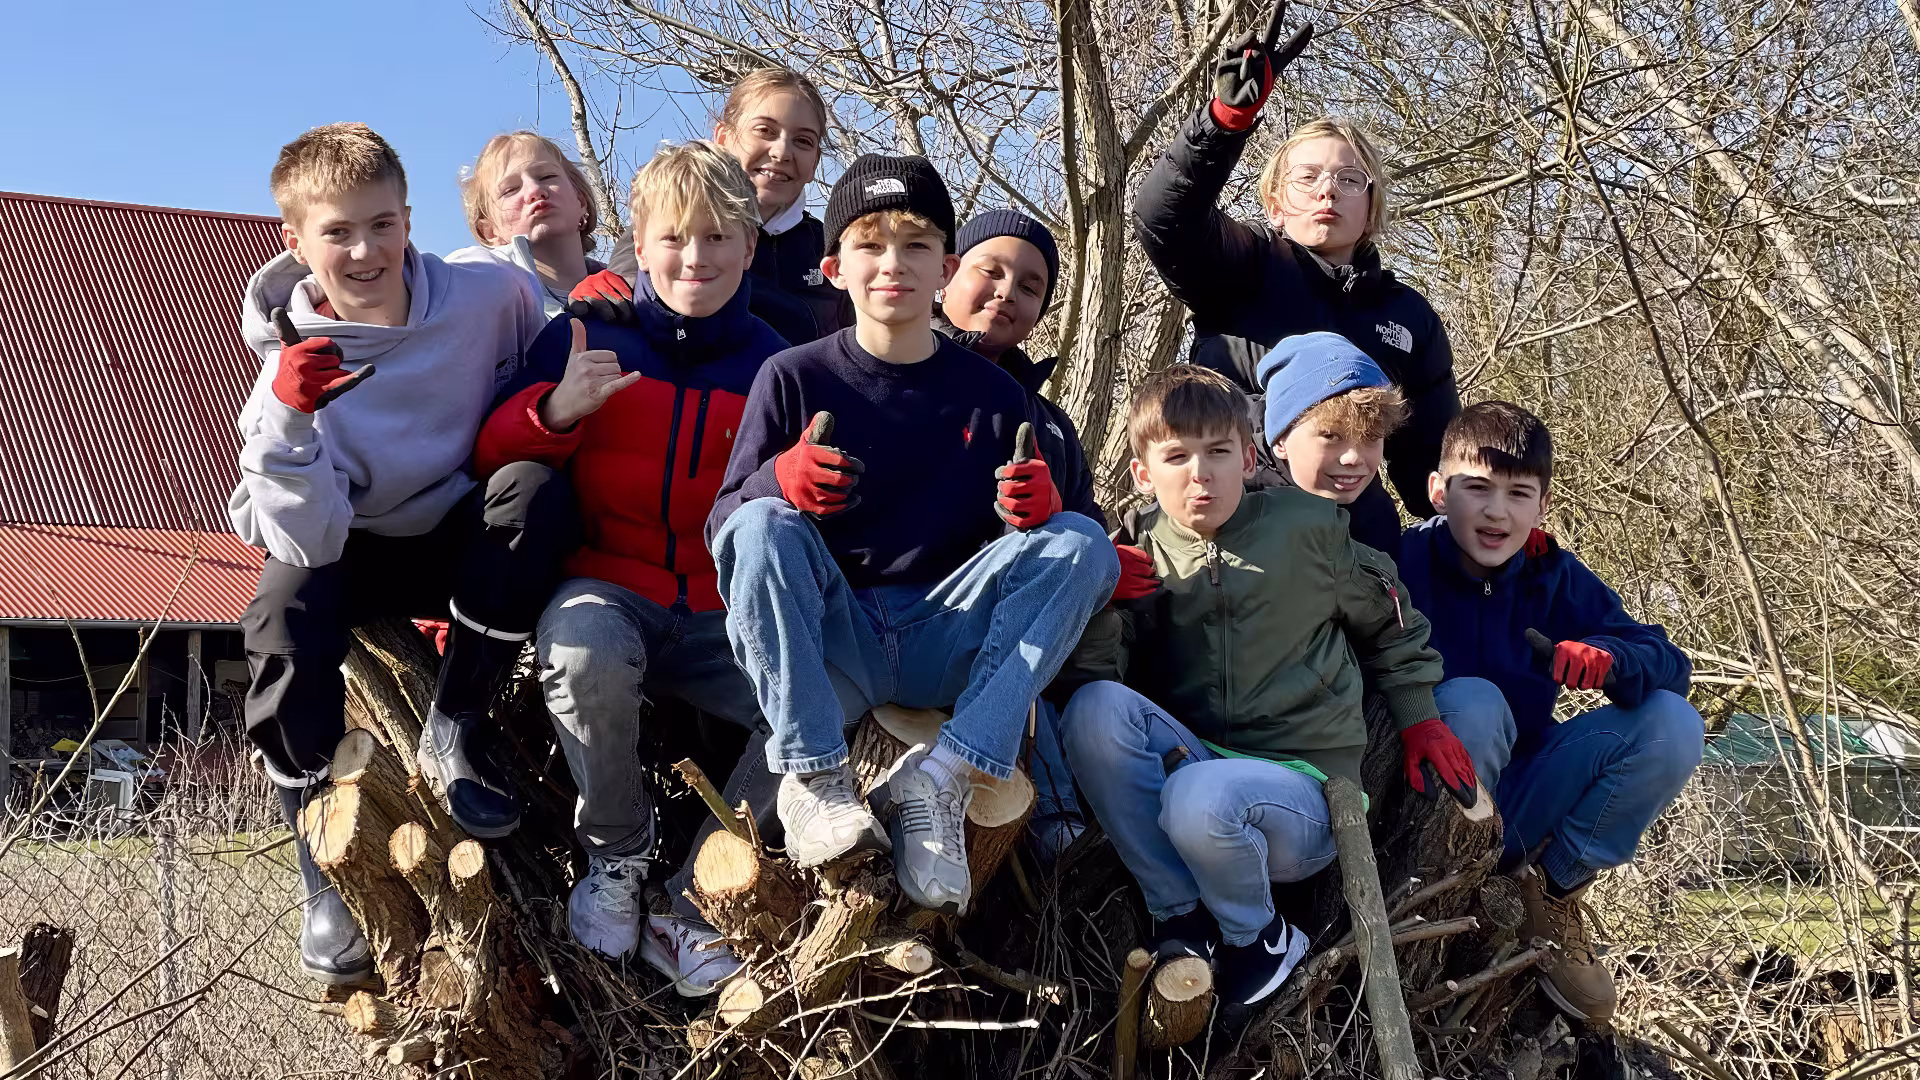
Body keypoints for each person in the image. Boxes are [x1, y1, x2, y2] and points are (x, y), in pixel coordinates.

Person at [705, 154, 1118, 916]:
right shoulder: (792, 377)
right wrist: (777, 481)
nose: (892, 262)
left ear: (945, 268)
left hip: (946, 633)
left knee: (1082, 545)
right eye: (869, 244)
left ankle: (948, 777)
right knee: (761, 524)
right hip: (838, 637)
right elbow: (725, 527)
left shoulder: (998, 397)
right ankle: (816, 779)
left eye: (916, 244)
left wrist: (1037, 515)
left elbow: (1035, 560)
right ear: (834, 268)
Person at [232, 123, 575, 984]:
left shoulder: (489, 294)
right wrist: (293, 418)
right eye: (338, 232)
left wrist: (599, 309)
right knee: (278, 614)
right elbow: (306, 538)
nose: (364, 250)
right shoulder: (283, 370)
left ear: (409, 221)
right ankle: (321, 863)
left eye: (381, 224)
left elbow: (535, 373)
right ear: (296, 241)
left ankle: (454, 730)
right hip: (345, 540)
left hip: (455, 526)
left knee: (536, 494)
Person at [1057, 364, 1489, 1008]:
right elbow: (1101, 679)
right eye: (1177, 457)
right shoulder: (1142, 547)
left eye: (1218, 453)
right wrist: (1104, 600)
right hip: (1195, 767)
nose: (1200, 474)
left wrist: (1420, 715)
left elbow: (1392, 623)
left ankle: (1257, 938)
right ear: (1143, 474)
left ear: (1248, 457)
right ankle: (1181, 916)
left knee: (1200, 798)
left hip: (1305, 791)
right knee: (1092, 712)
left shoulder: (1308, 529)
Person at [474, 140, 786, 994]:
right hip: (608, 587)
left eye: (718, 237)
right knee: (580, 654)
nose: (695, 258)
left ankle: (692, 906)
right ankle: (617, 857)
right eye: (674, 238)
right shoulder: (584, 334)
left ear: (749, 247)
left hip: (723, 612)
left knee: (815, 703)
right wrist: (554, 409)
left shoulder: (775, 363)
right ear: (639, 245)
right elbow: (489, 457)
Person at [1396, 401, 1703, 1024]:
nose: (1497, 512)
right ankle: (1438, 896)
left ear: (1542, 506)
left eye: (1519, 494)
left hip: (1523, 798)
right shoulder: (1400, 563)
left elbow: (1669, 661)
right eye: (1477, 489)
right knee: (1474, 701)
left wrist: (1610, 659)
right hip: (1419, 808)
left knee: (1674, 724)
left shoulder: (1552, 575)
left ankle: (1551, 891)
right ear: (1437, 491)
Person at [1133, 7, 1459, 542]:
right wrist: (1223, 122)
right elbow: (1164, 217)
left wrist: (1491, 524)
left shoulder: (1410, 317)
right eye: (1307, 177)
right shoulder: (1247, 264)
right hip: (1232, 531)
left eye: (1349, 179)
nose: (1327, 189)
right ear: (1276, 204)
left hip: (1354, 547)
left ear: (1371, 208)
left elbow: (1432, 467)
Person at [933, 209, 1112, 858]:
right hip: (920, 615)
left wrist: (1069, 522)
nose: (1008, 291)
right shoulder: (902, 367)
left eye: (1031, 287)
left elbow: (1087, 526)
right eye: (991, 270)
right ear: (947, 274)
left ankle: (1061, 846)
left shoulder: (1051, 422)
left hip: (1022, 638)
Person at [572, 69, 851, 345]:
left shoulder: (835, 249)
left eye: (803, 141)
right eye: (764, 130)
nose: (782, 152)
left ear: (815, 162)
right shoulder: (659, 237)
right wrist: (614, 289)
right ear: (723, 138)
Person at [1257, 331, 1408, 553]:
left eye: (1371, 436)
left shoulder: (1378, 519)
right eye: (1331, 436)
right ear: (1281, 440)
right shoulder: (1232, 506)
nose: (1353, 457)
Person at [447, 131, 608, 318]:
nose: (535, 190)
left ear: (581, 201)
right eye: (510, 190)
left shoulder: (630, 287)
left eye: (547, 176)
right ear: (489, 231)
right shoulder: (486, 304)